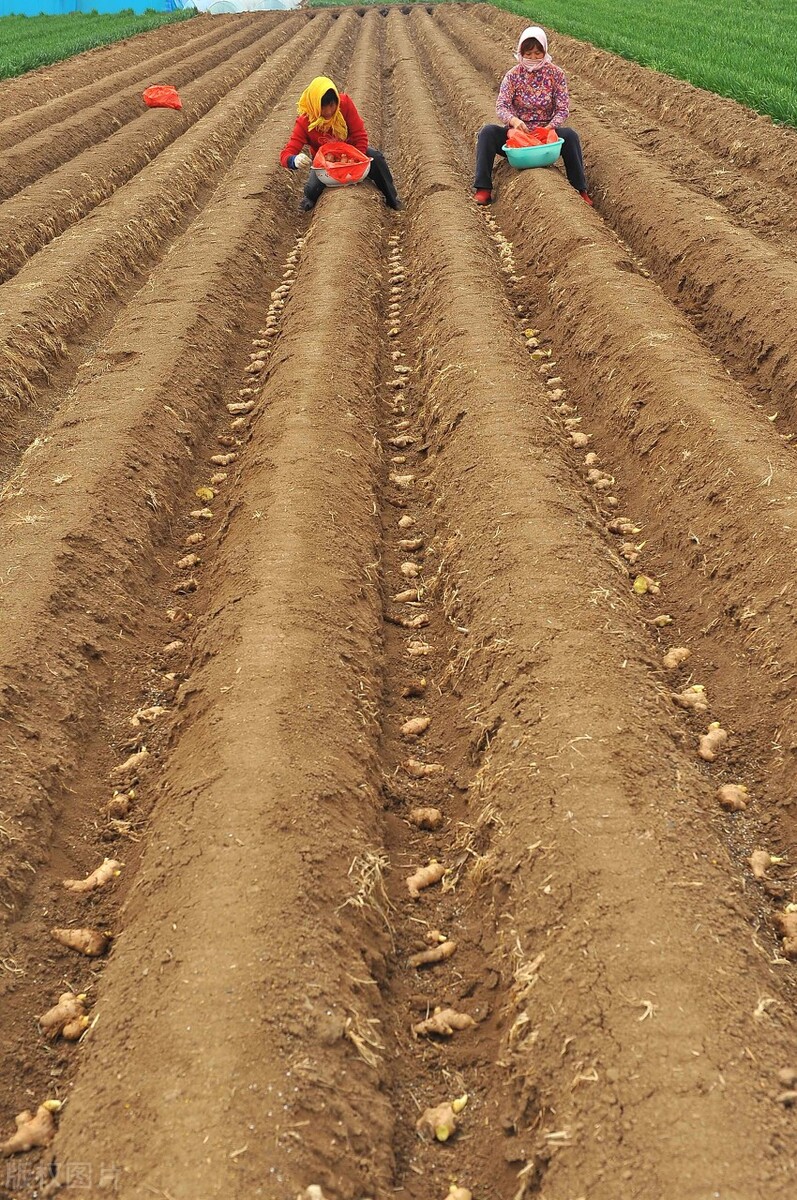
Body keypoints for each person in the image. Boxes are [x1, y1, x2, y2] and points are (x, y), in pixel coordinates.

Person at [473, 25, 591, 207]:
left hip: (545, 134)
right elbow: (502, 105)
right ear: (521, 53)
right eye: (528, 54)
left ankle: (580, 190)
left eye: (538, 53)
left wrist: (549, 127)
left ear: (545, 52)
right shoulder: (513, 76)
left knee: (571, 136)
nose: (533, 58)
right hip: (518, 134)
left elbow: (562, 108)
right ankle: (483, 189)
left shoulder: (556, 74)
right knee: (487, 132)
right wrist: (514, 121)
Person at [280, 75, 401, 212]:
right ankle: (310, 200)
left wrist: (355, 160)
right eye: (323, 107)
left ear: (336, 101)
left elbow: (359, 135)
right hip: (325, 163)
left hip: (352, 154)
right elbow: (286, 155)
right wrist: (294, 160)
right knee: (312, 189)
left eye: (332, 105)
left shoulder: (344, 104)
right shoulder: (305, 122)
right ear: (315, 105)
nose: (329, 112)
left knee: (377, 158)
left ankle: (392, 200)